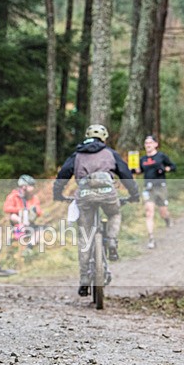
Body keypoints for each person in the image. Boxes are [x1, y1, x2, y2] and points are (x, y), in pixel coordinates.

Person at [53, 124, 139, 297]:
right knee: (114, 213)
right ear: (104, 138)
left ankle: (84, 279)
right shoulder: (110, 153)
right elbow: (125, 174)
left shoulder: (77, 154)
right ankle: (112, 241)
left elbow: (63, 174)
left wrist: (58, 194)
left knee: (85, 236)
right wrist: (134, 194)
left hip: (84, 194)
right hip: (108, 193)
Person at [134, 135, 176, 249]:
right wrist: (135, 170)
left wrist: (166, 169)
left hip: (160, 187)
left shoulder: (161, 156)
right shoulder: (143, 159)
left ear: (155, 144)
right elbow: (139, 171)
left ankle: (167, 219)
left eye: (150, 143)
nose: (148, 145)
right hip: (148, 188)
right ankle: (151, 238)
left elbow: (173, 166)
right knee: (149, 212)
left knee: (163, 212)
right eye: (146, 143)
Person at [3, 174, 43, 251]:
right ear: (23, 187)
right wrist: (20, 209)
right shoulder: (14, 196)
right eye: (30, 186)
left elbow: (39, 211)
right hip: (17, 221)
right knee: (13, 216)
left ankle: (30, 247)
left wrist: (32, 211)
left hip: (29, 222)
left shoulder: (34, 198)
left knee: (40, 230)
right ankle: (17, 232)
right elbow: (6, 208)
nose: (32, 189)